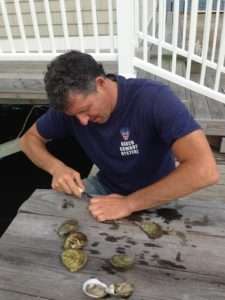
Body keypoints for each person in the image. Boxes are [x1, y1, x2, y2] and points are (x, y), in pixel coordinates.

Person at [20, 50, 219, 222]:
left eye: (86, 110)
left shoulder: (154, 99)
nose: (82, 121)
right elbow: (29, 140)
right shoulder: (71, 108)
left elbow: (205, 170)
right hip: (105, 186)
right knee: (57, 213)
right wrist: (56, 168)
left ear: (100, 83)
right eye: (74, 115)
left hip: (157, 193)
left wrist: (128, 204)